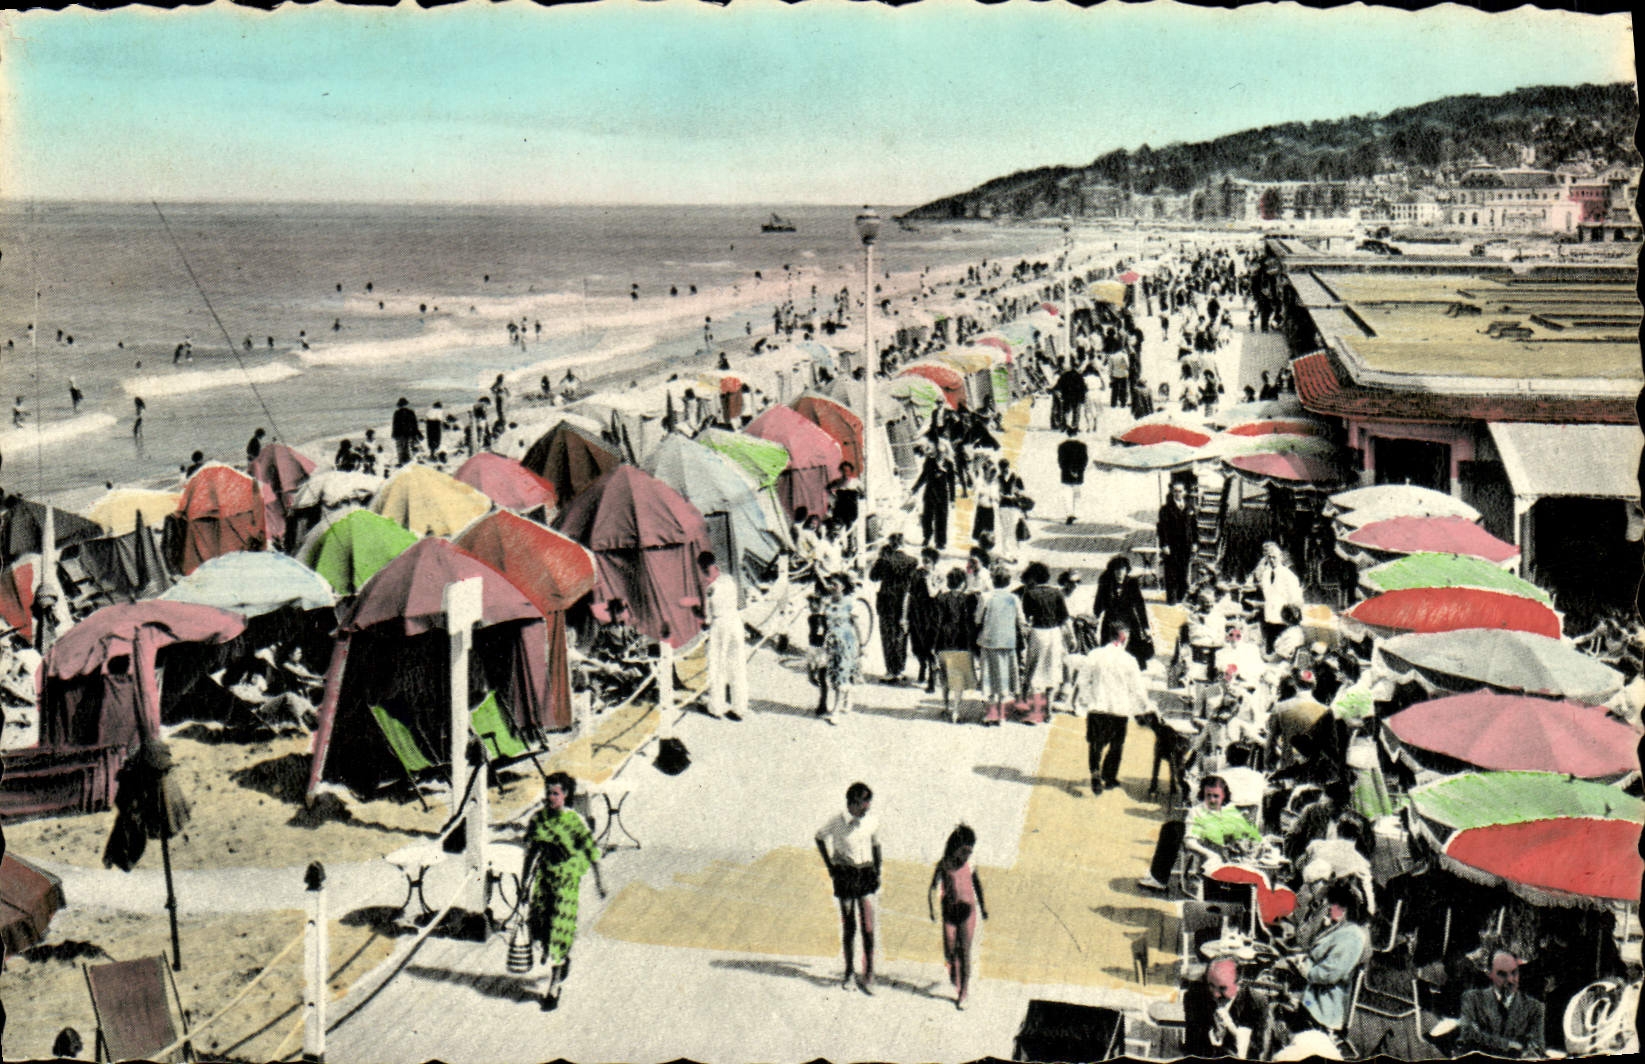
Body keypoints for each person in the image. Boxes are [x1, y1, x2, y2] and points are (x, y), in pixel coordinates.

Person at [522, 772, 606, 1011]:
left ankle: (554, 986)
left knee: (559, 930)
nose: (550, 797)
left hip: (567, 883)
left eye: (555, 793)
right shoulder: (539, 820)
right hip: (544, 881)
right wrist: (523, 882)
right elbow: (532, 852)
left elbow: (592, 852)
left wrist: (600, 882)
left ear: (566, 795)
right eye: (548, 792)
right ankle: (563, 958)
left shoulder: (575, 821)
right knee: (540, 928)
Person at [1138, 775, 1260, 892]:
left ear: (1223, 796)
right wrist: (1210, 854)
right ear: (1202, 795)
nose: (1212, 800)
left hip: (1231, 854)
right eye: (1208, 796)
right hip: (1207, 851)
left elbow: (1246, 837)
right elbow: (1190, 842)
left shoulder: (1231, 811)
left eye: (1216, 796)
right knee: (1172, 828)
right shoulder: (1197, 812)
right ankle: (1158, 878)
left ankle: (1157, 878)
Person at [815, 782, 882, 993]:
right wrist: (830, 866)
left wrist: (878, 871)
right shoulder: (837, 822)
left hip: (866, 874)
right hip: (845, 875)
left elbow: (876, 845)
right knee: (849, 927)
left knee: (869, 928)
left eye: (868, 804)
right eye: (863, 805)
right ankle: (849, 973)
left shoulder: (871, 821)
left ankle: (869, 974)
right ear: (852, 804)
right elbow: (819, 837)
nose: (867, 809)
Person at [1070, 620, 1149, 795]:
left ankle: (1095, 772)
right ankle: (1109, 776)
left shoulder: (1095, 655)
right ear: (1124, 638)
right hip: (1119, 709)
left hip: (1097, 706)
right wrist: (1143, 706)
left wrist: (1085, 699)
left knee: (1095, 744)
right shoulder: (1129, 660)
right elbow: (1137, 688)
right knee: (1116, 745)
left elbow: (1082, 680)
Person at [1292, 881, 1370, 1035]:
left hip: (1321, 1004)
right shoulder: (1342, 926)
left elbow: (1330, 973)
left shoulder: (1352, 936)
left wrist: (1305, 971)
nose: (1327, 909)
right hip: (1313, 988)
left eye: (1331, 905)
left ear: (1344, 908)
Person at [928, 823, 988, 1010]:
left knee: (965, 952)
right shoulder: (944, 864)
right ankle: (954, 969)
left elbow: (977, 886)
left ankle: (964, 992)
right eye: (964, 851)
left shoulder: (970, 865)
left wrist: (984, 907)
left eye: (970, 852)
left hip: (967, 912)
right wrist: (931, 908)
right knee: (950, 949)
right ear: (955, 848)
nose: (967, 856)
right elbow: (932, 887)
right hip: (949, 913)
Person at [1457, 951, 1546, 1057]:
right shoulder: (1473, 999)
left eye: (1514, 972)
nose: (1510, 980)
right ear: (1489, 973)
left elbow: (1537, 1047)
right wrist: (1507, 1044)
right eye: (1502, 974)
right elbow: (1466, 1035)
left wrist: (1482, 1037)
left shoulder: (1534, 1007)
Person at [1184, 957, 1271, 1059]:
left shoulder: (1256, 1004)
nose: (1215, 994)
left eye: (1222, 988)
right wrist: (1214, 1035)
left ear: (1239, 984)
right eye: (1211, 985)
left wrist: (1233, 1031)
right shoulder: (1195, 996)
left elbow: (1256, 1050)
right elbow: (1193, 1045)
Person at [699, 551, 747, 721]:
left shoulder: (709, 587)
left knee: (717, 666)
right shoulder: (729, 579)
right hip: (735, 621)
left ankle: (716, 707)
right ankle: (739, 708)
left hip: (720, 625)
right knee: (737, 665)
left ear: (704, 567)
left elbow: (705, 617)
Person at [1017, 561, 1067, 724]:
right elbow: (1063, 618)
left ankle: (1036, 713)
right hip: (1055, 633)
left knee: (1036, 671)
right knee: (1052, 670)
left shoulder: (1030, 594)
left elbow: (1026, 616)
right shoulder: (1057, 593)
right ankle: (1049, 711)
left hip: (1039, 633)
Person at [974, 568, 1024, 726]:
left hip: (989, 641)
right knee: (1003, 677)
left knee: (988, 676)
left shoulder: (986, 596)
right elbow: (1021, 620)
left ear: (993, 580)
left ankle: (990, 714)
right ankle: (1001, 715)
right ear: (1008, 582)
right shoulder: (1014, 598)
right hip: (1008, 642)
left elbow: (977, 619)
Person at [868, 534, 919, 684]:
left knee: (887, 635)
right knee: (901, 634)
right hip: (903, 601)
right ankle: (900, 668)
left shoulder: (884, 561)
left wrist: (879, 558)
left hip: (886, 601)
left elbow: (873, 577)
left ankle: (891, 670)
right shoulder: (912, 561)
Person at [931, 568, 977, 722]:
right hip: (961, 640)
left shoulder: (941, 598)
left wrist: (933, 645)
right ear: (963, 583)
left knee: (944, 675)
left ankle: (945, 706)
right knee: (957, 677)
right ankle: (956, 710)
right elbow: (971, 622)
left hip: (943, 639)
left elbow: (936, 622)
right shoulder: (968, 599)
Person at [1093, 555, 1152, 668]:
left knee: (1131, 650)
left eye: (1122, 570)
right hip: (1111, 621)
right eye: (1117, 570)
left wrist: (1145, 626)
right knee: (1109, 650)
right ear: (1113, 571)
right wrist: (1096, 616)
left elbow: (1140, 606)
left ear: (1126, 570)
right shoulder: (1106, 584)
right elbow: (1098, 603)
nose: (1119, 573)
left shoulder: (1132, 583)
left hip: (1129, 620)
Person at [820, 574, 865, 719]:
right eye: (831, 584)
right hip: (831, 643)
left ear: (843, 587)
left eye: (835, 585)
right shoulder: (827, 602)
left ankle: (836, 711)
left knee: (841, 674)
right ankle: (848, 697)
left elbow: (857, 626)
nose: (832, 588)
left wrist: (862, 645)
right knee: (834, 675)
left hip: (845, 643)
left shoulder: (850, 603)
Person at [1256, 541, 1304, 652]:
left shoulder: (1289, 576)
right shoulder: (1266, 574)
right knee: (1269, 651)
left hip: (1283, 621)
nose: (1272, 560)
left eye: (1274, 557)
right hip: (1269, 618)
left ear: (1281, 557)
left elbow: (1295, 600)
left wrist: (1290, 617)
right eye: (1269, 557)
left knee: (1282, 651)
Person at [1156, 479, 1197, 605]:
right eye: (1175, 491)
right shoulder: (1165, 509)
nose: (1177, 493)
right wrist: (1164, 545)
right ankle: (1172, 599)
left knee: (1183, 571)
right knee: (1171, 572)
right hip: (1172, 546)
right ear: (1171, 492)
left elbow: (1194, 527)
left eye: (1180, 491)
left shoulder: (1190, 507)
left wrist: (1195, 543)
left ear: (1184, 492)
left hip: (1186, 545)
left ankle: (1181, 597)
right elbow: (1161, 529)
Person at [907, 548, 942, 693]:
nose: (924, 563)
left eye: (927, 561)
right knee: (917, 645)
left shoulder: (939, 576)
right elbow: (910, 594)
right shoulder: (916, 574)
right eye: (923, 560)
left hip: (932, 614)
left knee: (930, 647)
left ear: (934, 562)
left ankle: (931, 680)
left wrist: (928, 580)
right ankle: (922, 666)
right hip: (917, 613)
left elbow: (933, 593)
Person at [911, 446, 955, 551]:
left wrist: (952, 499)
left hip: (942, 496)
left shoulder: (949, 464)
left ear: (945, 454)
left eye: (943, 453)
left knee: (941, 520)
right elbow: (923, 476)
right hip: (929, 494)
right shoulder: (929, 462)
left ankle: (940, 542)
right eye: (939, 453)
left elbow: (951, 483)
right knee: (927, 518)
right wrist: (915, 489)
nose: (941, 455)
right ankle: (926, 537)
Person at [1055, 426, 1088, 525]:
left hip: (1066, 473)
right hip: (1079, 474)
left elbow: (1061, 461)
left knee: (1067, 494)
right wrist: (1078, 471)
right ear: (1076, 434)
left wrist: (1069, 470)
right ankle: (1076, 512)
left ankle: (1069, 514)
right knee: (1077, 493)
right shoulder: (1082, 446)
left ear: (1067, 434)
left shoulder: (1062, 446)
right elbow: (1084, 460)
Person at [390, 397, 421, 466]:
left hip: (399, 434)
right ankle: (409, 462)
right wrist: (417, 433)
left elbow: (395, 424)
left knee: (400, 449)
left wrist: (393, 434)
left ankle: (401, 462)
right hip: (410, 434)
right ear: (406, 404)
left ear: (399, 405)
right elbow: (415, 424)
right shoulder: (411, 412)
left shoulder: (397, 413)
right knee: (409, 448)